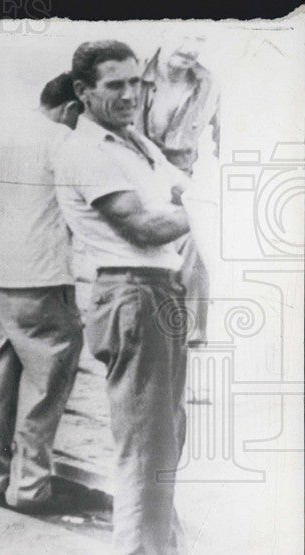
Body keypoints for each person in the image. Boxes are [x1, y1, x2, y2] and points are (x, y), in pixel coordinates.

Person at [54, 40, 212, 555]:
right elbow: (142, 227)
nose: (128, 94)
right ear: (83, 92)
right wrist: (206, 208)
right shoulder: (87, 150)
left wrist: (189, 200)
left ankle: (164, 549)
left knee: (166, 431)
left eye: (134, 83)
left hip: (160, 288)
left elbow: (179, 189)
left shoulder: (136, 141)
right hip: (129, 291)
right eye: (113, 84)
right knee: (145, 437)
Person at [0, 72, 84, 513]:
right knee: (45, 388)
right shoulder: (62, 140)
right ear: (72, 108)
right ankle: (30, 489)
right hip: (41, 278)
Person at [138, 36, 219, 346]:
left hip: (178, 180)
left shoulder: (208, 82)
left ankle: (190, 333)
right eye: (184, 37)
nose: (192, 48)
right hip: (133, 171)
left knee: (192, 246)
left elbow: (227, 135)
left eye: (200, 38)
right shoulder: (134, 72)